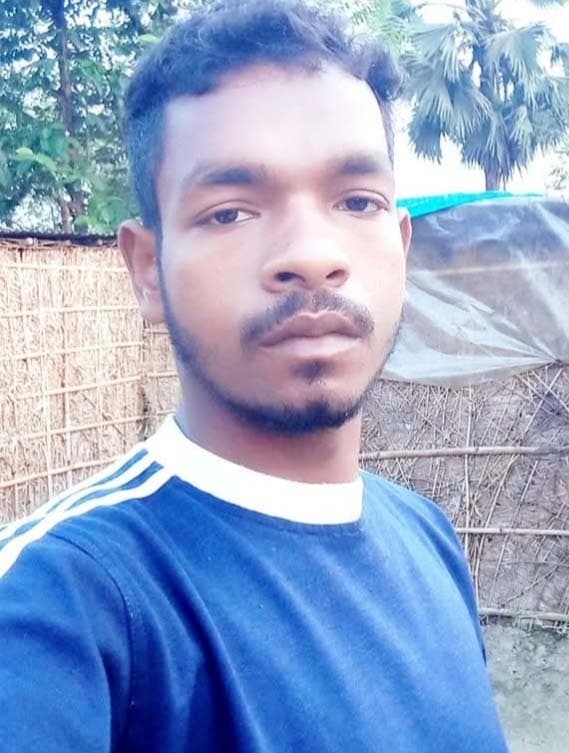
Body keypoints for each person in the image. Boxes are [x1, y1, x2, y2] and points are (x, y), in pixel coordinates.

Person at [0, 2, 509, 751]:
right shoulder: (60, 599)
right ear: (148, 269)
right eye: (231, 212)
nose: (311, 254)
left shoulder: (429, 536)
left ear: (400, 246)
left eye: (357, 201)